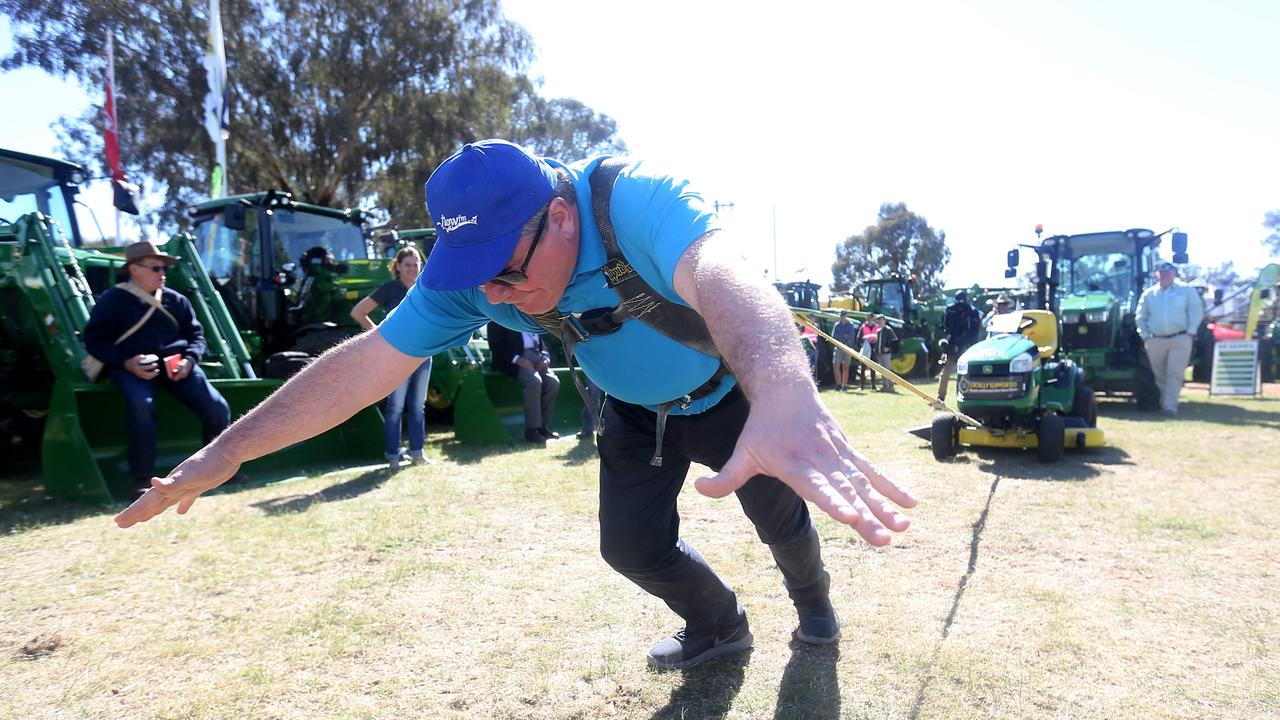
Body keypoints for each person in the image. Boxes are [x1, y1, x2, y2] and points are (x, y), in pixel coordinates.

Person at [115, 139, 916, 672]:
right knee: (630, 548)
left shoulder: (631, 199)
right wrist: (229, 450)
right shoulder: (470, 273)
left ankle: (815, 610)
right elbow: (364, 364)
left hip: (731, 396)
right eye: (475, 274)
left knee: (783, 524)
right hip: (636, 412)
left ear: (560, 215)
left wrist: (780, 387)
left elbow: (723, 273)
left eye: (504, 268)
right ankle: (722, 629)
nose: (491, 293)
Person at [83, 241, 231, 494]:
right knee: (142, 407)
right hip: (131, 368)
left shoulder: (177, 300)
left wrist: (189, 360)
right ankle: (143, 480)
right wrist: (126, 362)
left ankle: (215, 472)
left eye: (163, 268)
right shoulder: (112, 301)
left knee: (218, 408)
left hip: (178, 367)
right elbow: (95, 342)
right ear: (134, 269)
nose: (162, 273)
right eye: (155, 268)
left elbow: (197, 337)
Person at [351, 246, 433, 468]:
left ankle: (417, 453)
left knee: (417, 407)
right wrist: (379, 336)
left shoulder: (425, 287)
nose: (412, 269)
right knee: (395, 407)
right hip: (396, 356)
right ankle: (393, 456)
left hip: (424, 355)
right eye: (407, 265)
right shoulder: (389, 288)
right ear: (397, 267)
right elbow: (358, 312)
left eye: (416, 265)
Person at [1135, 261, 1205, 416]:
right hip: (1155, 340)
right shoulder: (1149, 294)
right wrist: (1145, 336)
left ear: (1174, 274)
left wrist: (1191, 332)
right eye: (1161, 273)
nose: (1164, 275)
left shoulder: (1186, 291)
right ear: (1157, 275)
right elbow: (1140, 317)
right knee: (1160, 375)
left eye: (1168, 273)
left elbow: (1196, 311)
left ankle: (1170, 407)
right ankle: (1164, 402)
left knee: (1174, 373)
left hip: (1180, 338)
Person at [486, 320, 561, 444]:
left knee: (553, 383)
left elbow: (542, 346)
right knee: (534, 382)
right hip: (514, 360)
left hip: (537, 358)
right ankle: (532, 430)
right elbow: (496, 346)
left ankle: (543, 427)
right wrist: (517, 359)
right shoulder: (498, 318)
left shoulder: (530, 316)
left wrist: (546, 358)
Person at [937, 291, 982, 402]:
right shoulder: (950, 310)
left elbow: (973, 333)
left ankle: (972, 398)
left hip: (967, 347)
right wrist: (948, 341)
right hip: (951, 345)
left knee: (970, 373)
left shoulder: (973, 312)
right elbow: (944, 327)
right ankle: (940, 398)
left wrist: (961, 344)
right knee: (946, 372)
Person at [830, 311, 857, 391]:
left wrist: (841, 338)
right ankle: (838, 384)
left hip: (847, 348)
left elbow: (851, 338)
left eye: (844, 316)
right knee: (836, 365)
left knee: (846, 367)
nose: (842, 317)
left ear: (846, 316)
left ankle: (844, 385)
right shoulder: (836, 325)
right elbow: (834, 337)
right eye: (841, 316)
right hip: (838, 347)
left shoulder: (850, 325)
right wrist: (844, 336)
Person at [856, 313, 881, 390]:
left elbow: (879, 338)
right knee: (863, 368)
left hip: (873, 348)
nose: (869, 319)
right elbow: (859, 339)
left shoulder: (877, 327)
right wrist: (864, 343)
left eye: (870, 318)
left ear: (873, 318)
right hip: (866, 348)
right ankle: (862, 385)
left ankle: (873, 386)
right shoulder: (863, 327)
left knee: (873, 368)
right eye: (868, 318)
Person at [875, 316, 899, 392]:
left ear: (884, 321)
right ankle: (885, 386)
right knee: (882, 370)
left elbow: (895, 340)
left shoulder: (888, 330)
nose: (880, 322)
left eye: (882, 320)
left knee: (887, 370)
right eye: (879, 321)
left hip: (886, 354)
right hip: (879, 353)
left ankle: (891, 386)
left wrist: (889, 348)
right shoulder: (878, 331)